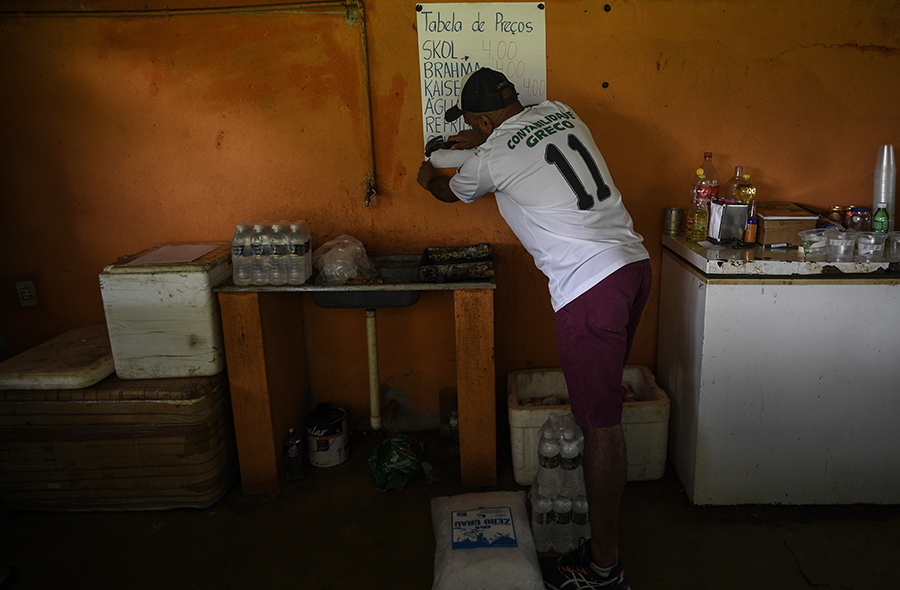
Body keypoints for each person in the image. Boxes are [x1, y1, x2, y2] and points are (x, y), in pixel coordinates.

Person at [417, 68, 651, 590]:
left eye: (475, 126)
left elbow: (447, 190)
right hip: (632, 268)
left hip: (589, 287)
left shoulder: (491, 158)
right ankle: (601, 551)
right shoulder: (560, 110)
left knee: (600, 424)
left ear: (480, 119)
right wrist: (474, 142)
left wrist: (427, 170)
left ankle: (605, 571)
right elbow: (517, 143)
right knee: (602, 411)